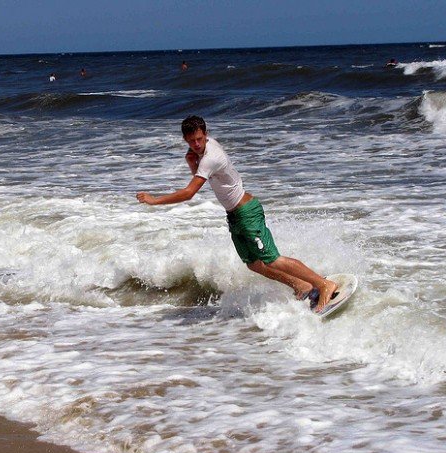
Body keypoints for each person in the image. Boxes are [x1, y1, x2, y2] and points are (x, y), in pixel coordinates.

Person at [136, 115, 339, 312]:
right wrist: (192, 163)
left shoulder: (211, 157)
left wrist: (154, 201)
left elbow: (189, 193)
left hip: (248, 212)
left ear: (206, 134)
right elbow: (207, 177)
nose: (196, 144)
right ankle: (300, 285)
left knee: (273, 259)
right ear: (185, 140)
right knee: (254, 265)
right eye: (191, 141)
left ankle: (323, 284)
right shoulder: (203, 153)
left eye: (199, 139)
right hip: (235, 216)